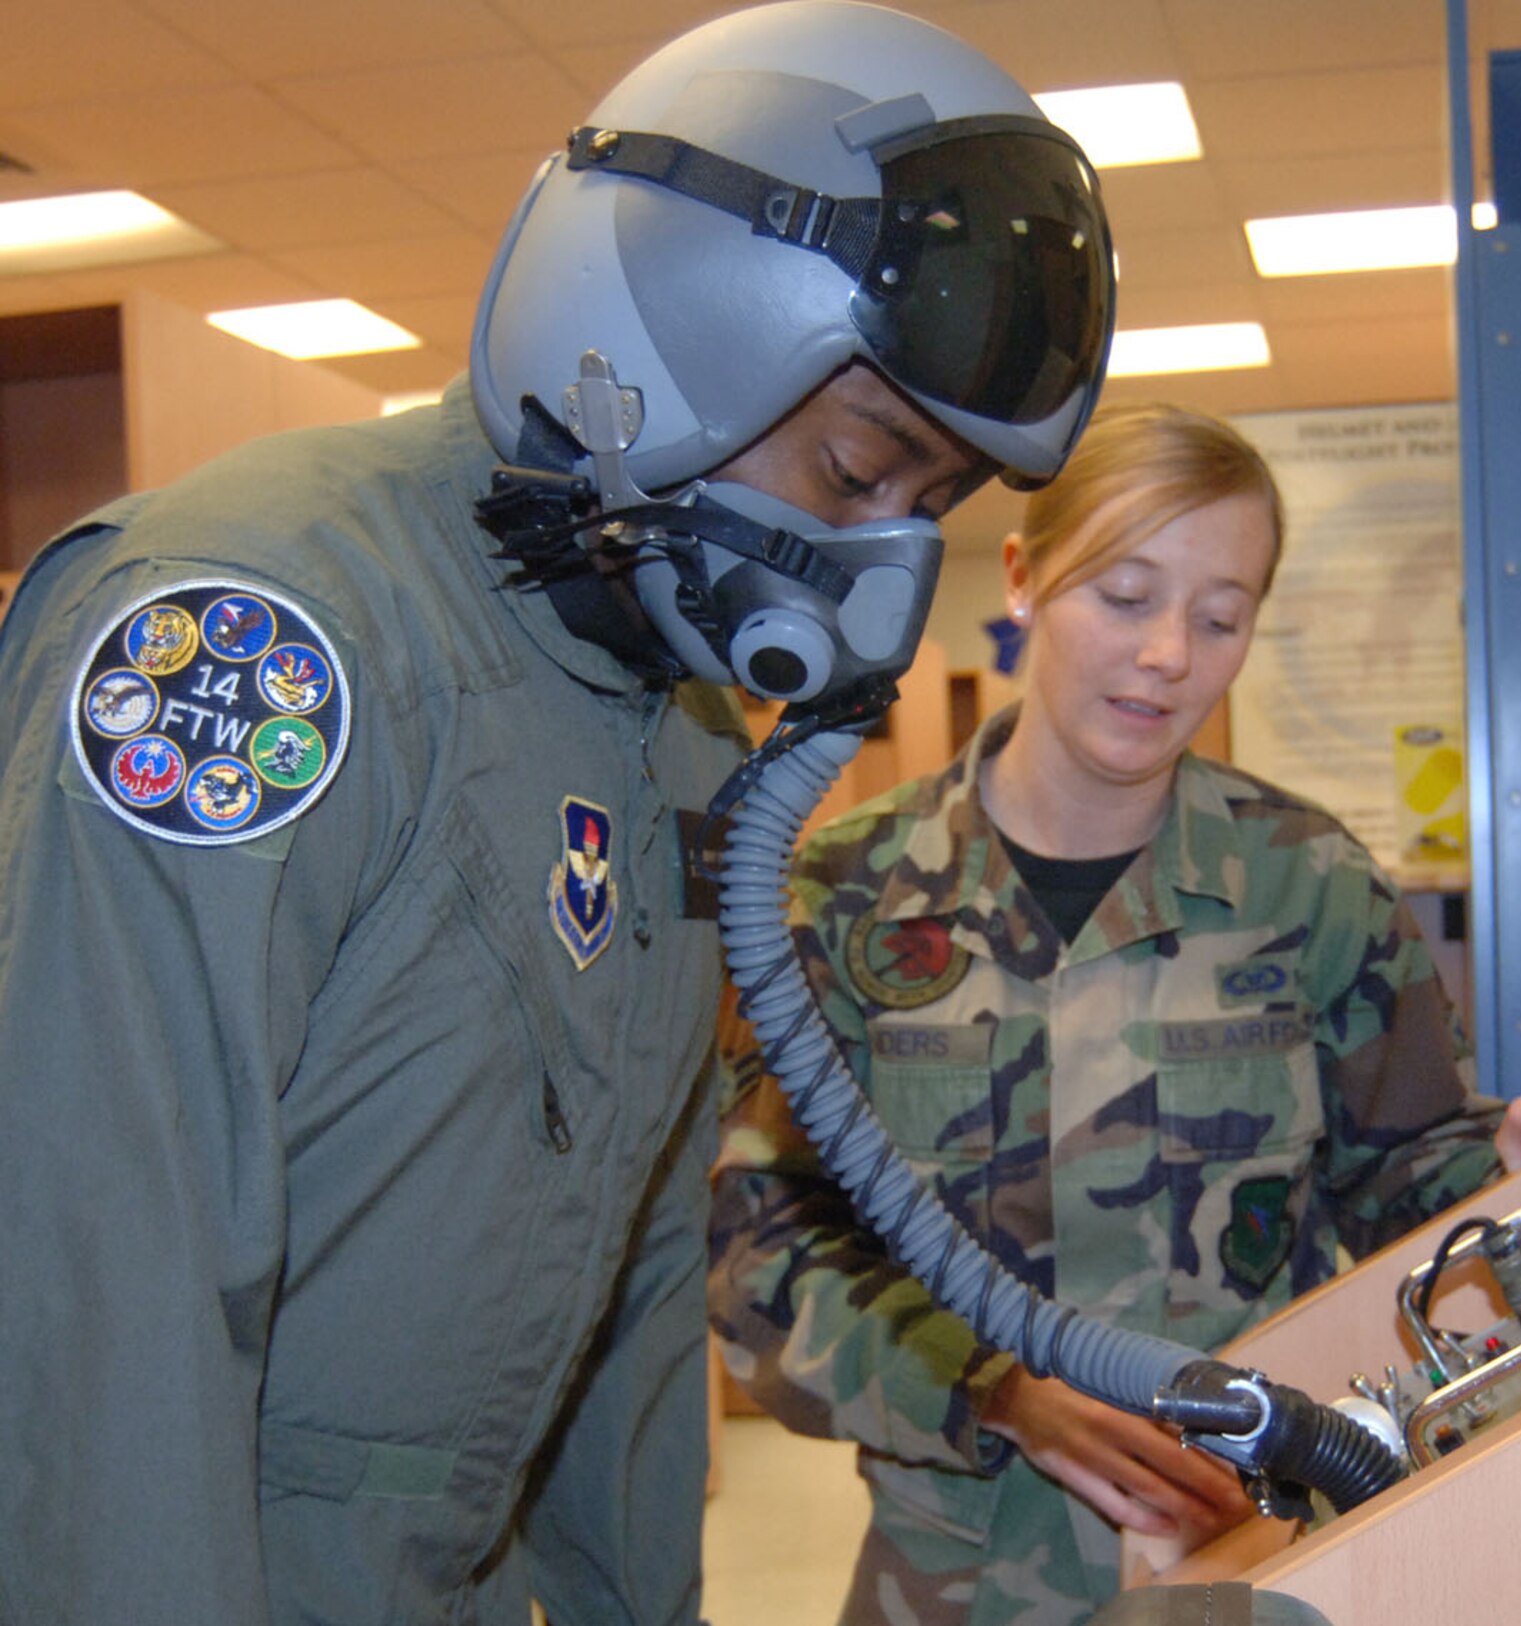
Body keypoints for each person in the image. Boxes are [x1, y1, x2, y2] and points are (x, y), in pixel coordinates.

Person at [0, 5, 1114, 1622]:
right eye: (860, 469)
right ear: (667, 348)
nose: (879, 563)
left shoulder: (667, 732)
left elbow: (635, 1277)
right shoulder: (247, 641)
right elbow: (99, 1286)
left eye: (928, 507)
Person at [707, 402, 1521, 1626]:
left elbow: (1407, 1175)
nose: (1167, 653)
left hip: (1257, 1558)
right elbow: (753, 1252)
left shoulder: (1303, 883)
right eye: (1123, 596)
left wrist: (1516, 1173)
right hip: (953, 1577)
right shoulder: (839, 896)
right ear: (1023, 577)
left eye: (1219, 618)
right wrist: (995, 1389)